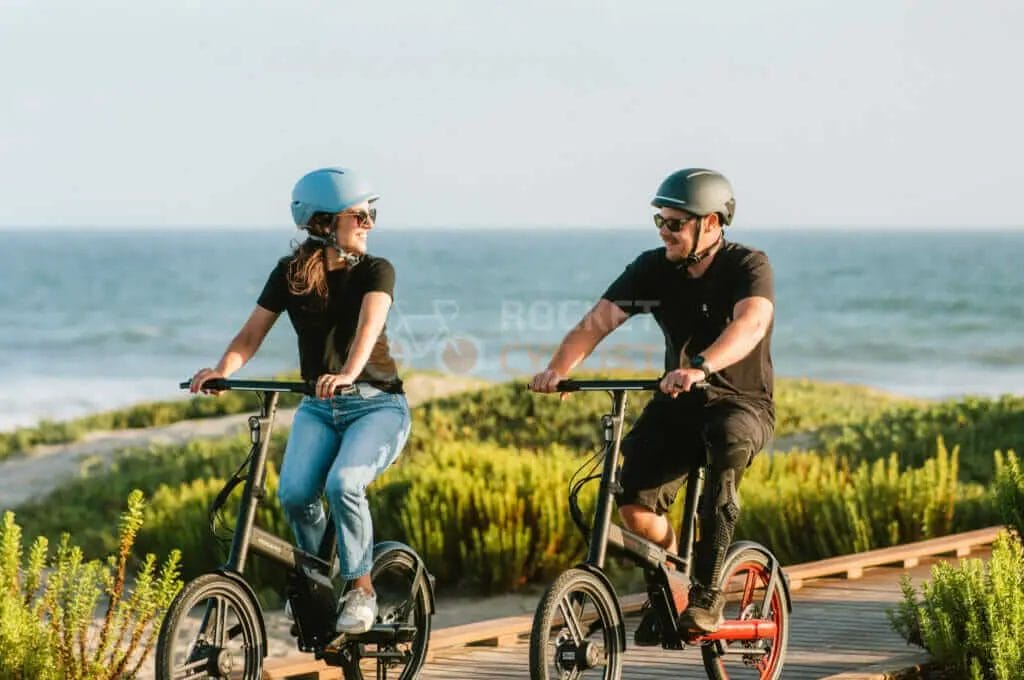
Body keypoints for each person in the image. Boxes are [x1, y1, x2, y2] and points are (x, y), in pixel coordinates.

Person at [529, 168, 775, 638]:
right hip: (678, 401)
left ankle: (707, 595)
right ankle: (675, 578)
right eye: (659, 221)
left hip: (741, 404)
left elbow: (751, 324)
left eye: (675, 223)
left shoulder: (749, 266)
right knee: (632, 506)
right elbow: (597, 322)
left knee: (725, 443)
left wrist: (702, 365)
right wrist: (558, 370)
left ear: (712, 224)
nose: (665, 231)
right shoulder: (653, 267)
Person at [190, 167, 410, 634]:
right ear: (324, 222)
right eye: (361, 214)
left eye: (372, 213)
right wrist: (222, 371)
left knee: (344, 483)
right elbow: (252, 333)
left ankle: (360, 589)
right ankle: (318, 585)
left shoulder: (377, 270)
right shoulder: (291, 274)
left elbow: (369, 328)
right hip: (318, 408)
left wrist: (348, 373)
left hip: (378, 405)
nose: (370, 222)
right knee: (293, 495)